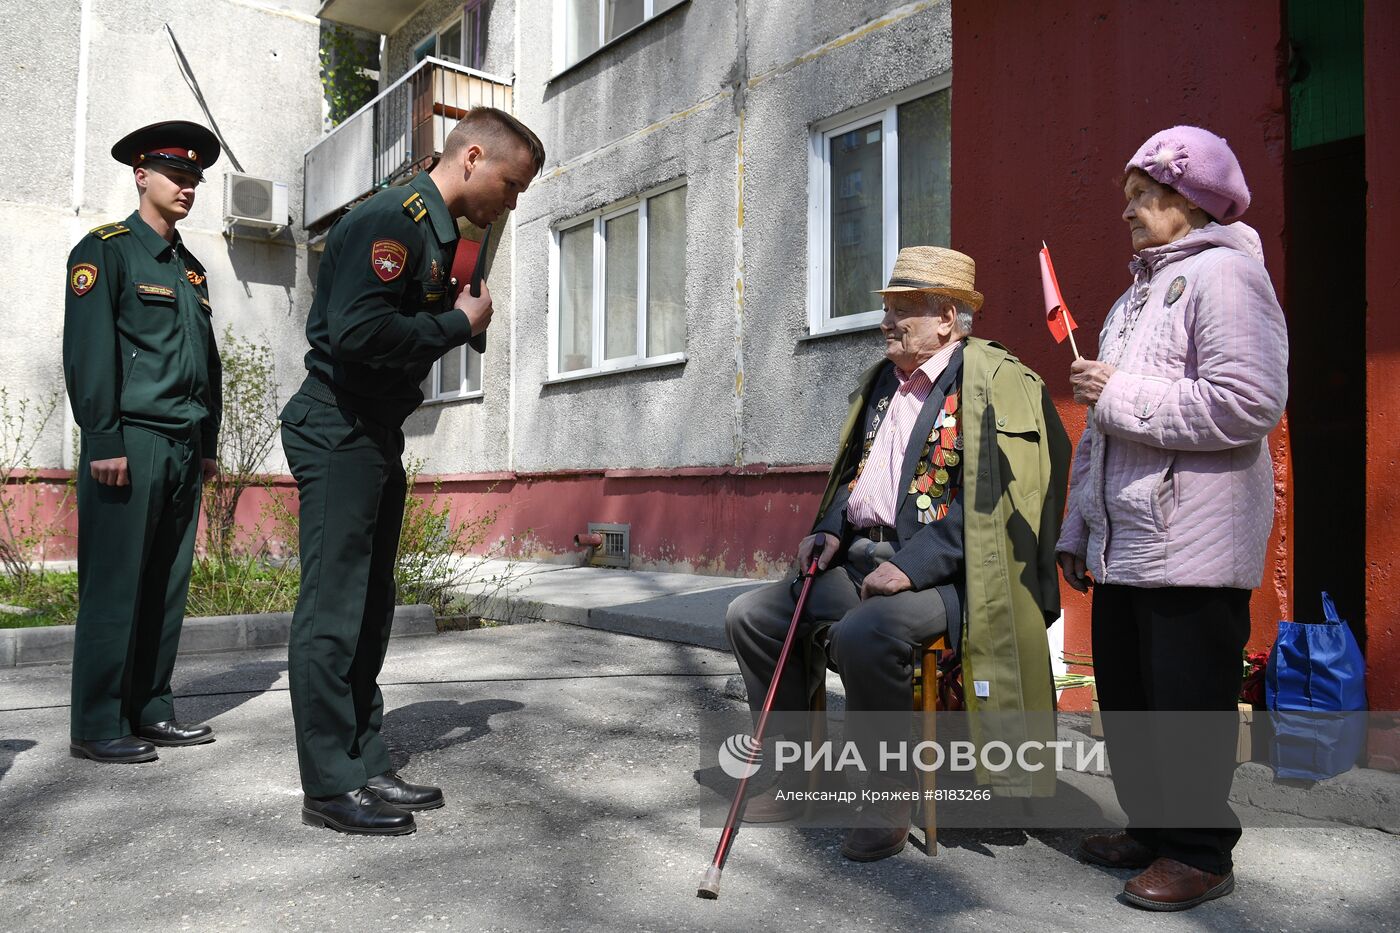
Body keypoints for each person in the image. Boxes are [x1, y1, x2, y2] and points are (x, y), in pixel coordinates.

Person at [725, 246, 1069, 861]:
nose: (886, 323)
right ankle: (791, 774)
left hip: (952, 579)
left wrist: (911, 568)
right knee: (752, 616)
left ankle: (885, 800)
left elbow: (993, 506)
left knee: (865, 635)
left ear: (947, 319)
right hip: (862, 560)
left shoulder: (991, 386)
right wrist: (830, 527)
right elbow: (855, 475)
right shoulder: (883, 381)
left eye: (902, 311)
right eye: (886, 309)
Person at [283, 107, 545, 836]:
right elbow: (359, 333)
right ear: (469, 157)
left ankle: (364, 760)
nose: (512, 200)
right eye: (510, 183)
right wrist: (459, 325)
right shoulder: (390, 222)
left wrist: (462, 293)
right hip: (337, 425)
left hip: (371, 430)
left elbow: (413, 325)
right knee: (333, 611)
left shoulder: (443, 233)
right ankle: (330, 783)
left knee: (369, 608)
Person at [1058, 126, 1288, 911]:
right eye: (1128, 198)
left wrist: (1117, 393)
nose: (1127, 211)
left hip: (1193, 535)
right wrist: (1076, 526)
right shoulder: (1136, 294)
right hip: (1128, 536)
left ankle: (1199, 852)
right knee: (1129, 694)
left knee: (1186, 699)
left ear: (1192, 200)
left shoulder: (1227, 277)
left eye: (1142, 196)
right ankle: (1154, 827)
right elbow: (1104, 427)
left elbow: (1247, 404)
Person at [63, 121, 223, 763]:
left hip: (183, 445)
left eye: (194, 178)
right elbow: (89, 350)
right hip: (128, 441)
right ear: (140, 175)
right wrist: (103, 437)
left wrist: (208, 440)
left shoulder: (190, 269)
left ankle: (150, 710)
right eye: (175, 175)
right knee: (115, 584)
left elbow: (205, 361)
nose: (187, 186)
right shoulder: (104, 251)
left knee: (165, 582)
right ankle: (98, 723)